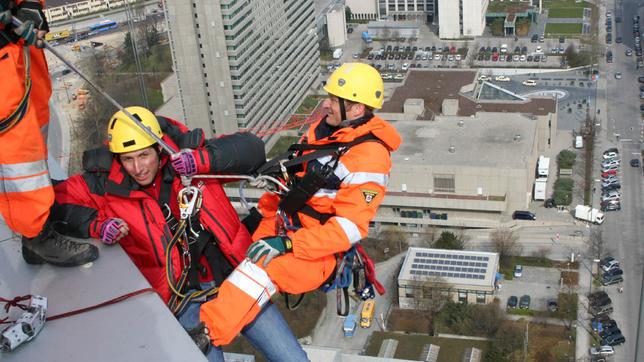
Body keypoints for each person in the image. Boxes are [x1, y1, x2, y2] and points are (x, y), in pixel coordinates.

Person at [51, 106, 307, 361]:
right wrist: (96, 224)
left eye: (144, 156)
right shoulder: (105, 184)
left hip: (233, 278)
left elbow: (252, 149)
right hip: (182, 297)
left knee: (293, 359)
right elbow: (53, 202)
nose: (138, 168)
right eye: (128, 159)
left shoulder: (187, 159)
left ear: (159, 148)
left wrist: (201, 161)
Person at [200, 63, 402, 348]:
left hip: (316, 253)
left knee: (260, 266)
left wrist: (289, 245)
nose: (326, 105)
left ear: (357, 109)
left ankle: (207, 334)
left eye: (334, 100)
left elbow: (349, 228)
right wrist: (266, 202)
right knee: (230, 244)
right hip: (287, 224)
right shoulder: (325, 132)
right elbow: (299, 184)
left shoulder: (369, 158)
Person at [0, 0, 98, 266]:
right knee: (18, 156)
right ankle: (35, 236)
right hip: (4, 59)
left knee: (36, 134)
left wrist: (30, 5)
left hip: (18, 49)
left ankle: (42, 214)